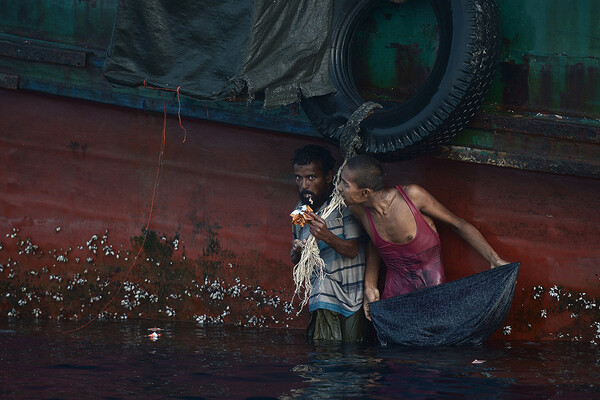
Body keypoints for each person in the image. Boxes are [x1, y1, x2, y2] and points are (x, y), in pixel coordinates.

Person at [337, 154, 509, 320]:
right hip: (393, 300)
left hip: (432, 295)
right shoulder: (358, 210)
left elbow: (457, 224)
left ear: (365, 192)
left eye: (345, 184)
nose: (339, 188)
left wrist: (494, 259)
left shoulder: (412, 197)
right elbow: (375, 244)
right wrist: (370, 286)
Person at [291, 145, 369, 343]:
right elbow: (297, 261)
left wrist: (326, 236)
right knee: (325, 353)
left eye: (311, 177)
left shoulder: (344, 205)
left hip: (352, 296)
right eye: (298, 178)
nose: (303, 185)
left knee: (353, 355)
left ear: (327, 177)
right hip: (323, 296)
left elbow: (353, 250)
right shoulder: (301, 211)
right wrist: (298, 251)